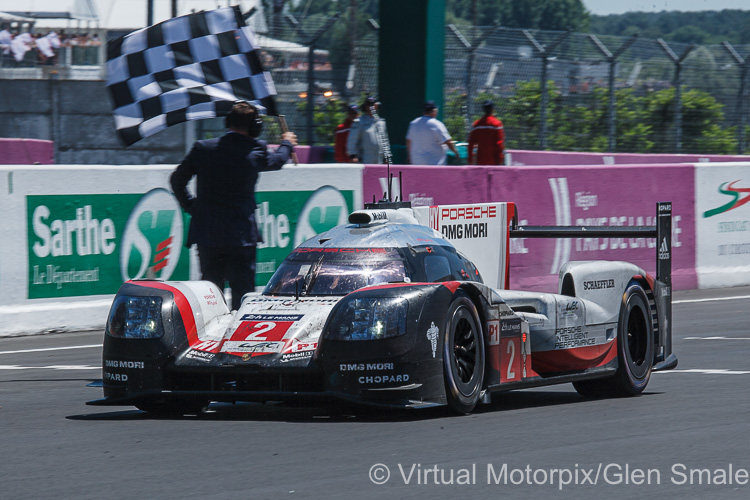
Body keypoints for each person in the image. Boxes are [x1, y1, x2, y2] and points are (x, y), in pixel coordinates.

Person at [170, 101, 298, 311]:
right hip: (241, 237)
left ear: (228, 122)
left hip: (208, 233)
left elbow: (177, 180)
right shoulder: (256, 149)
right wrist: (287, 143)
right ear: (255, 127)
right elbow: (277, 160)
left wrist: (192, 207)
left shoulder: (203, 148)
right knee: (243, 295)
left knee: (211, 294)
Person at [406, 100, 459, 165]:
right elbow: (447, 141)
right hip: (434, 164)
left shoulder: (413, 123)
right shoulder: (437, 124)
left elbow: (409, 141)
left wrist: (409, 156)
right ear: (434, 111)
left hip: (417, 163)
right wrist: (455, 152)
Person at [346, 96, 389, 164]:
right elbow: (352, 139)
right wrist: (353, 155)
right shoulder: (359, 122)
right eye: (369, 105)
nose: (371, 107)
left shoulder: (381, 122)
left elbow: (385, 140)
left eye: (373, 104)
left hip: (379, 158)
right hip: (365, 157)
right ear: (365, 107)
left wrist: (387, 156)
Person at [468, 100, 505, 165]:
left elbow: (471, 143)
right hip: (494, 160)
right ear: (493, 109)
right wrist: (501, 158)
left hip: (480, 159)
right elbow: (499, 143)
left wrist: (470, 158)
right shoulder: (497, 124)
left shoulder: (477, 124)